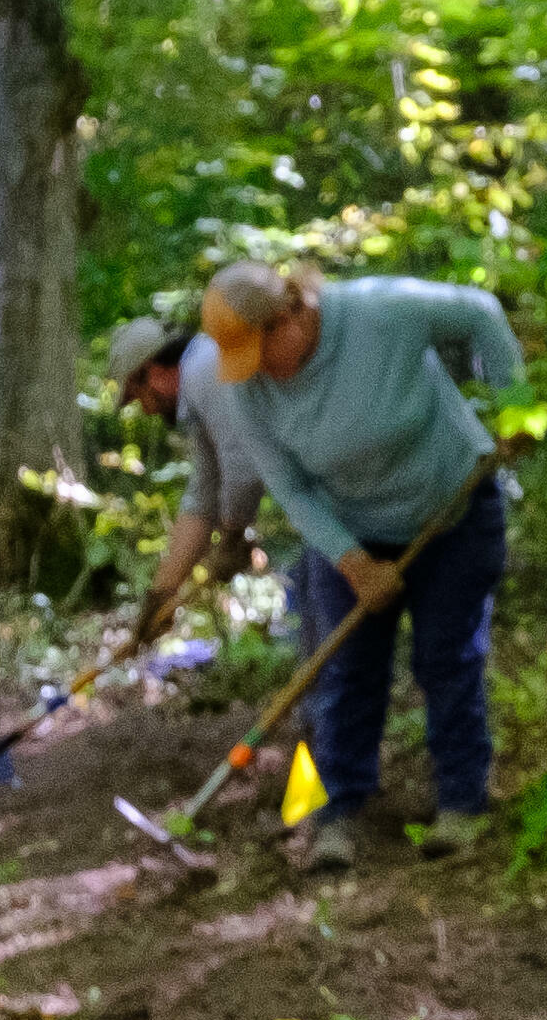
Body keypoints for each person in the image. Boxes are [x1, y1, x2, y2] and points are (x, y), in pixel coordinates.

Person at [191, 258, 519, 870]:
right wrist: (351, 560)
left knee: (448, 658)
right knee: (344, 672)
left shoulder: (377, 310)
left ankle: (461, 804)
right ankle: (337, 814)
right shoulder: (246, 387)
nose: (256, 367)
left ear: (294, 313)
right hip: (350, 527)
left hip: (452, 505)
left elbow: (481, 312)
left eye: (261, 348)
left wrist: (515, 407)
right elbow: (288, 486)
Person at [105, 309, 272, 643]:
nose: (147, 410)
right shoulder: (199, 387)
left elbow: (242, 467)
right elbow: (203, 494)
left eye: (140, 396)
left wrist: (233, 535)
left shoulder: (205, 371)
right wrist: (161, 594)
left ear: (152, 372)